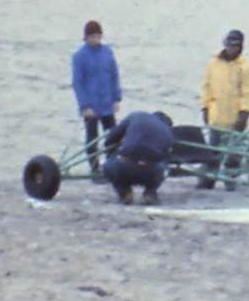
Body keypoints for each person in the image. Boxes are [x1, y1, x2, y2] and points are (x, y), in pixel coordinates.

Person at [197, 29, 249, 191]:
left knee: (234, 154)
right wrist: (205, 108)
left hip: (234, 118)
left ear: (240, 47)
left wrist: (244, 113)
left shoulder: (245, 68)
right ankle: (208, 180)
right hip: (216, 117)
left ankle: (230, 181)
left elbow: (248, 93)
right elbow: (206, 88)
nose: (231, 49)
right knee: (213, 152)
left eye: (235, 46)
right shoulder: (213, 64)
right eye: (229, 45)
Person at [71, 19, 123, 176]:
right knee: (92, 138)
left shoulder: (107, 52)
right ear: (86, 38)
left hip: (107, 103)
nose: (95, 40)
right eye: (92, 37)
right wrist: (84, 106)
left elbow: (114, 75)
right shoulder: (79, 56)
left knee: (113, 137)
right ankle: (94, 169)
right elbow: (78, 83)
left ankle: (112, 166)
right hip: (91, 106)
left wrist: (117, 98)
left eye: (98, 37)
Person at [104, 109, 175, 205]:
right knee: (164, 167)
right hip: (151, 171)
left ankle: (124, 192)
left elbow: (110, 139)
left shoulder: (137, 116)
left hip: (124, 166)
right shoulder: (168, 131)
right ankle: (150, 192)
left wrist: (114, 153)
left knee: (108, 165)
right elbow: (167, 156)